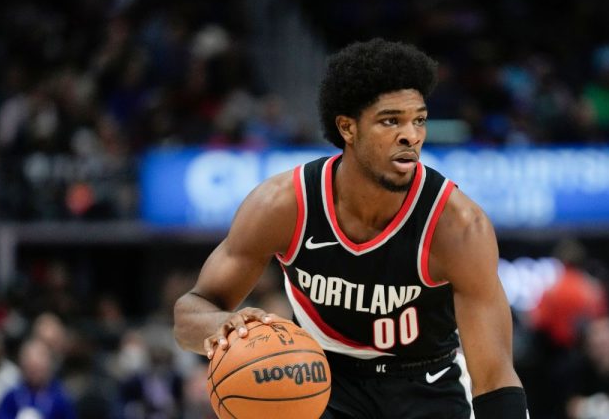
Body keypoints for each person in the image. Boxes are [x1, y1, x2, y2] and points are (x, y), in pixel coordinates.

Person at [173, 38, 527, 419]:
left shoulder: (457, 226)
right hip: (319, 379)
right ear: (347, 128)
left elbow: (493, 375)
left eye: (419, 119)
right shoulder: (284, 205)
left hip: (426, 384)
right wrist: (223, 325)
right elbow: (190, 314)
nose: (412, 136)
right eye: (391, 120)